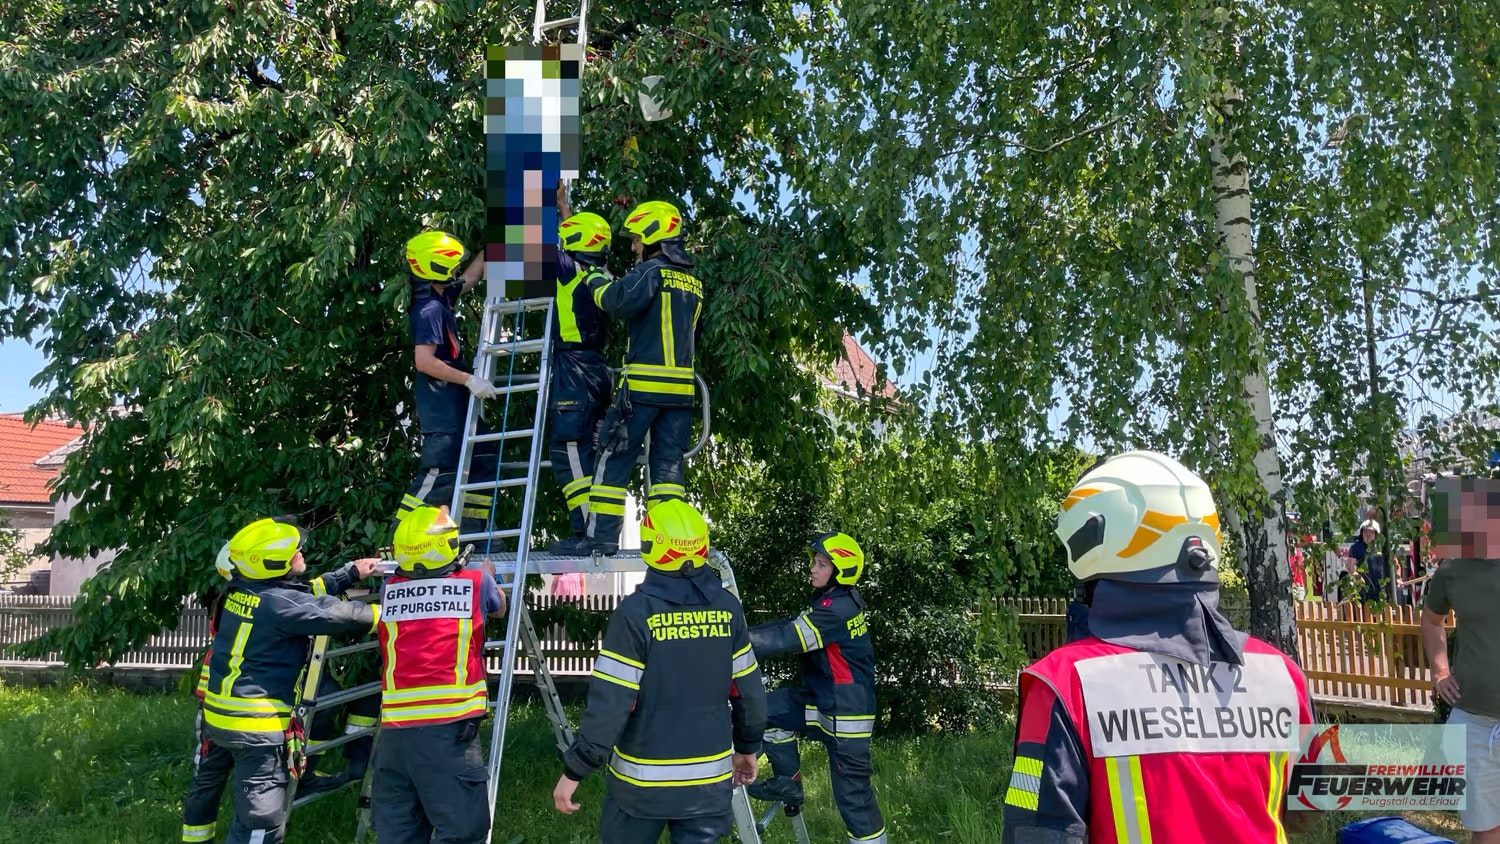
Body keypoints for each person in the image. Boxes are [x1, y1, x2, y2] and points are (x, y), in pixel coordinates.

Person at [1002, 450, 1317, 844]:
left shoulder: (1061, 685)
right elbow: (1311, 807)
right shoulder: (1281, 674)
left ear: (1095, 540)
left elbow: (1036, 833)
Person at [552, 499, 767, 843]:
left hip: (640, 790)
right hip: (706, 791)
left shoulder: (636, 614)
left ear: (651, 548)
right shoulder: (728, 610)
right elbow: (750, 692)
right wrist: (747, 747)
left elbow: (611, 703)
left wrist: (575, 770)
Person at [184, 517, 381, 844]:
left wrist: (351, 573)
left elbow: (302, 596)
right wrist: (406, 609)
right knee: (259, 824)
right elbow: (337, 615)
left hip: (216, 718)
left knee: (206, 787)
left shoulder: (239, 588)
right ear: (274, 563)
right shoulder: (280, 604)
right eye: (294, 551)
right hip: (255, 730)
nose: (301, 551)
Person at [560, 201, 704, 556]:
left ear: (654, 237)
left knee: (613, 458)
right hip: (681, 395)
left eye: (638, 239)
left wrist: (591, 274)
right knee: (667, 472)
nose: (634, 247)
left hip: (642, 389)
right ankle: (668, 542)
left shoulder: (651, 272)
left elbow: (615, 300)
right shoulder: (694, 283)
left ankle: (601, 539)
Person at [372, 505, 509, 844]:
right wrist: (492, 575)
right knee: (463, 831)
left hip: (394, 736)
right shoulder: (477, 582)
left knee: (400, 834)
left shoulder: (389, 590)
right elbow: (499, 606)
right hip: (449, 734)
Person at [747, 532, 888, 844]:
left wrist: (724, 640)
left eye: (821, 564)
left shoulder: (835, 611)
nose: (812, 568)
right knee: (770, 709)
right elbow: (786, 627)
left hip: (846, 717)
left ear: (840, 572)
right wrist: (739, 631)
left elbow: (785, 639)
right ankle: (788, 782)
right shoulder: (832, 603)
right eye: (814, 561)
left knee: (854, 801)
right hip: (825, 702)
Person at [399, 231, 499, 534]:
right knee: (439, 473)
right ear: (438, 267)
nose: (456, 270)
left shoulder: (441, 295)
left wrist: (490, 249)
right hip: (441, 402)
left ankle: (474, 532)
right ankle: (401, 533)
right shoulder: (429, 309)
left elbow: (469, 278)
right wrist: (469, 380)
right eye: (452, 264)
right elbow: (424, 361)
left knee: (483, 457)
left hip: (455, 398)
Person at [548, 188, 616, 552]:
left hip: (573, 370)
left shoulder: (567, 268)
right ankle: (597, 532)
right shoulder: (600, 272)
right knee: (591, 453)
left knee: (569, 451)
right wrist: (564, 208)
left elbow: (536, 241)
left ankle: (589, 536)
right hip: (597, 370)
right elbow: (573, 238)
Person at [1422, 536, 1500, 843]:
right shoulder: (1453, 570)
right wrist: (1440, 671)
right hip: (1474, 724)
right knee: (1485, 827)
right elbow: (1431, 619)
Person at [1349, 518, 1388, 602]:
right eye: (1365, 531)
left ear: (1376, 534)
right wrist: (1356, 575)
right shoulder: (1356, 548)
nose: (1367, 534)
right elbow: (1350, 566)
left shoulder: (1382, 547)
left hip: (1381, 587)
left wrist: (1398, 578)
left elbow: (1395, 564)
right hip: (1364, 588)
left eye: (1370, 532)